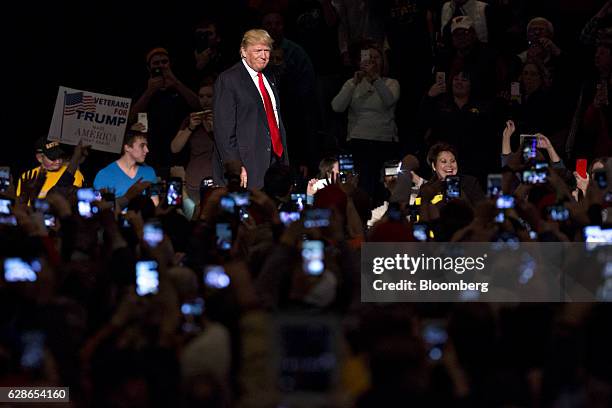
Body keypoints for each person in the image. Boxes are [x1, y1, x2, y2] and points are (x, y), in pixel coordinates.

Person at [213, 29, 289, 190]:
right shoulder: (229, 80)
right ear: (243, 51)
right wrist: (235, 167)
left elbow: (275, 118)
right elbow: (223, 131)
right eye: (258, 51)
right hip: (248, 165)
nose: (264, 55)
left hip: (275, 162)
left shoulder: (270, 77)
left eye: (267, 50)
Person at [331, 43, 400, 203]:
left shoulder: (391, 83)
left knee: (380, 185)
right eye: (368, 57)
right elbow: (337, 107)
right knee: (362, 183)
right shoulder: (352, 83)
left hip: (383, 141)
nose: (372, 61)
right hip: (358, 140)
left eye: (376, 57)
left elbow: (389, 100)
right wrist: (353, 83)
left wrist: (375, 79)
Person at [130, 47, 200, 170]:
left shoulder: (180, 83)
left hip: (179, 145)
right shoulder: (143, 88)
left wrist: (176, 83)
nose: (161, 66)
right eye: (156, 63)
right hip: (152, 146)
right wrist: (149, 91)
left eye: (164, 62)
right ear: (149, 67)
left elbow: (198, 105)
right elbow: (130, 117)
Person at [171, 76, 216, 206]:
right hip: (193, 183)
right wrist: (190, 127)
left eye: (209, 96)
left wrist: (213, 130)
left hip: (218, 183)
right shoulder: (191, 119)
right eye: (201, 96)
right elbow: (174, 148)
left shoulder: (228, 118)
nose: (205, 100)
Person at [93, 131, 158, 205]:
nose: (147, 150)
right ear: (127, 147)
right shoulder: (104, 175)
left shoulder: (149, 172)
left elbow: (154, 206)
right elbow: (100, 209)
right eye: (142, 146)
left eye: (146, 146)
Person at [17, 137, 84, 200]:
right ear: (40, 158)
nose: (58, 161)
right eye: (52, 157)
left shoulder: (75, 174)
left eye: (59, 156)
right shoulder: (28, 176)